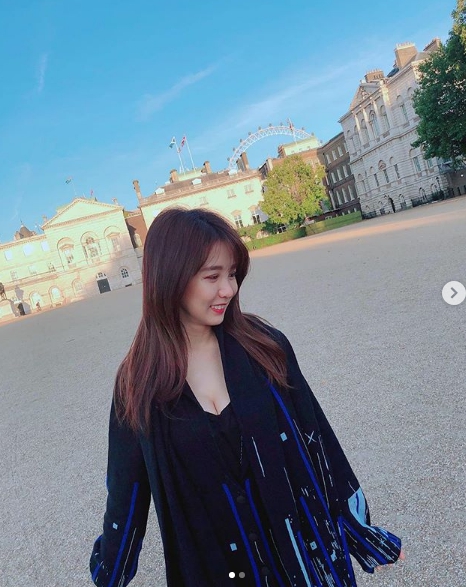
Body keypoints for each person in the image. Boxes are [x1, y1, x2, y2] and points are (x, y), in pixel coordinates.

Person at [90, 207, 404, 587]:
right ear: (169, 278)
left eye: (232, 274)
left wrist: (362, 532)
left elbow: (318, 441)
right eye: (212, 277)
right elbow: (126, 491)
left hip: (303, 561)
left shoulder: (264, 347)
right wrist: (110, 572)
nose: (229, 289)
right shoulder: (138, 383)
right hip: (215, 572)